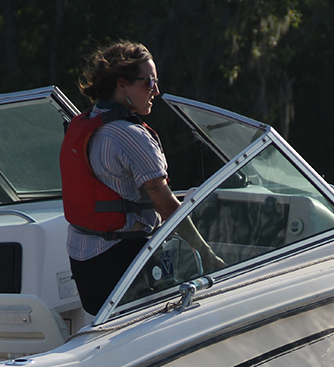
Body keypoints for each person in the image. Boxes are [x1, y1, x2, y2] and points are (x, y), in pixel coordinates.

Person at [61, 41, 221, 315]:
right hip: (119, 263)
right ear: (122, 85)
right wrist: (210, 256)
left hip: (84, 261)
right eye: (149, 83)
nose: (156, 91)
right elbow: (168, 208)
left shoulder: (84, 122)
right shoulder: (131, 136)